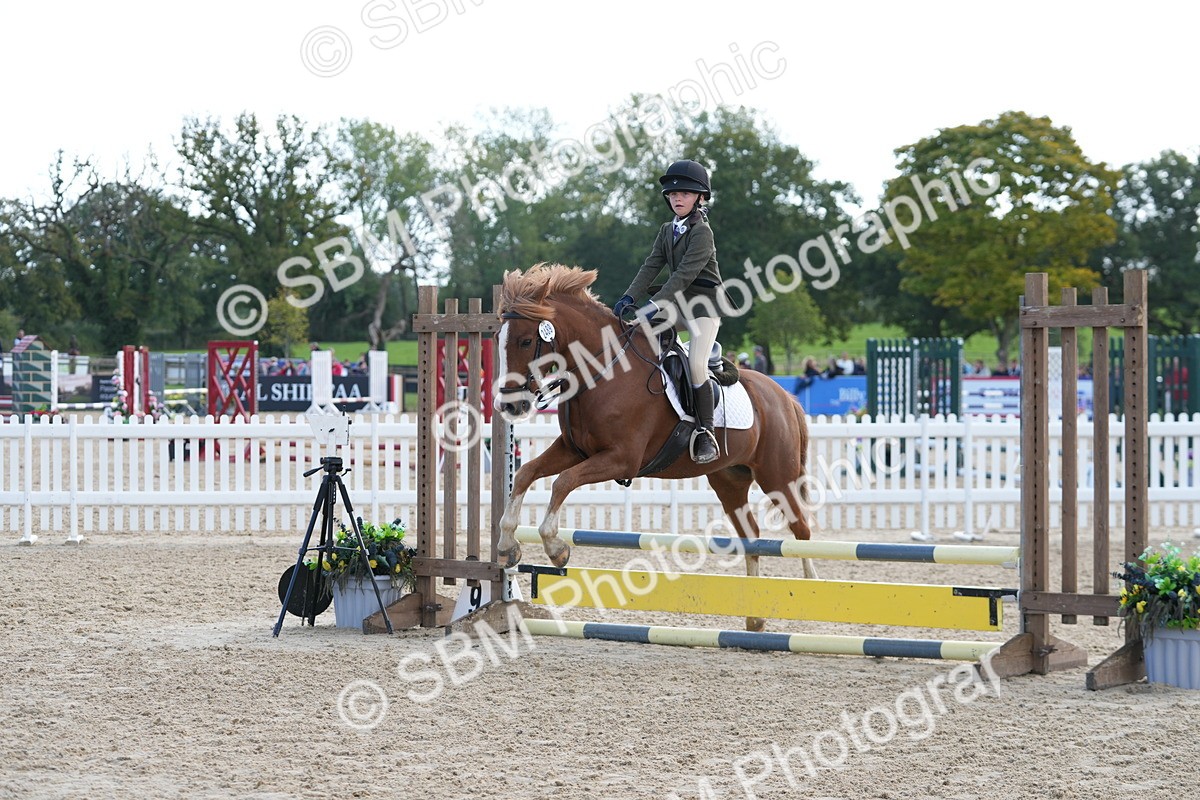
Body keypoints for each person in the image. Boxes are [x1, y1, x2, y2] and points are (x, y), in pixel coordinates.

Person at [613, 159, 724, 464]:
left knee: (697, 365)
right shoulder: (667, 230)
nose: (677, 198)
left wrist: (652, 306)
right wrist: (628, 297)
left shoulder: (703, 233)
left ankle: (705, 432)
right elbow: (651, 266)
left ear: (700, 198)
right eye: (673, 194)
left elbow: (682, 277)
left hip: (702, 309)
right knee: (636, 339)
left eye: (685, 194)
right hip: (675, 305)